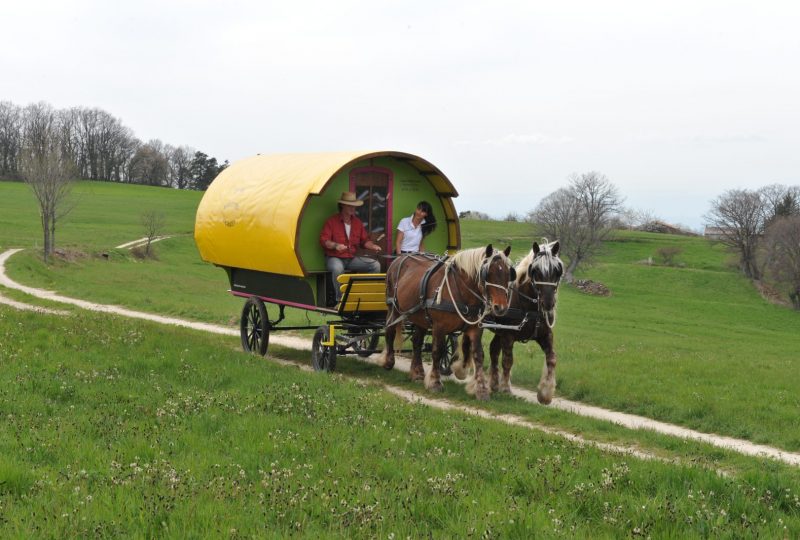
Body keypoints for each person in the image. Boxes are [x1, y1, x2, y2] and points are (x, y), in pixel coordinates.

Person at [320, 191, 382, 302]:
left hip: (351, 258)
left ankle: (364, 297)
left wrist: (373, 246)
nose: (353, 208)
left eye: (354, 206)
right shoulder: (331, 221)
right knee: (337, 268)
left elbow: (364, 241)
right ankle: (341, 300)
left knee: (375, 265)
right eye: (350, 206)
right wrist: (336, 245)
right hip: (334, 257)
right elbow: (324, 241)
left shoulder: (357, 223)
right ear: (342, 206)